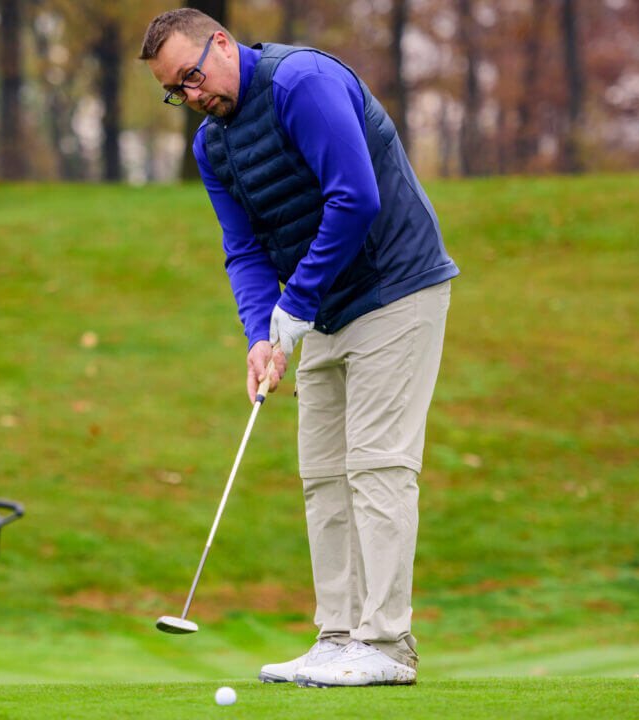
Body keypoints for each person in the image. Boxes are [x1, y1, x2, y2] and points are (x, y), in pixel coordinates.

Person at [140, 9, 458, 688]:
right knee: (322, 474)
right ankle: (338, 636)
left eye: (193, 76)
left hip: (396, 286)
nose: (192, 96)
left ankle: (385, 644)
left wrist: (297, 304)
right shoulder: (212, 146)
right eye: (176, 91)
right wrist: (261, 335)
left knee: (377, 465)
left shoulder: (301, 82)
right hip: (325, 310)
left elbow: (356, 199)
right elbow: (244, 249)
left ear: (222, 43)